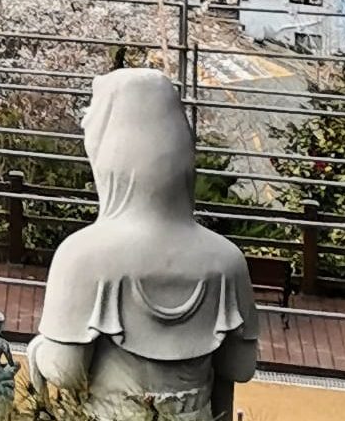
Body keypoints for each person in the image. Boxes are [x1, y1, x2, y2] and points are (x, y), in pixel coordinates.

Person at [25, 68, 257, 421]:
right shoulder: (227, 260)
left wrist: (38, 350)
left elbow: (66, 371)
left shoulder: (83, 255)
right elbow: (240, 367)